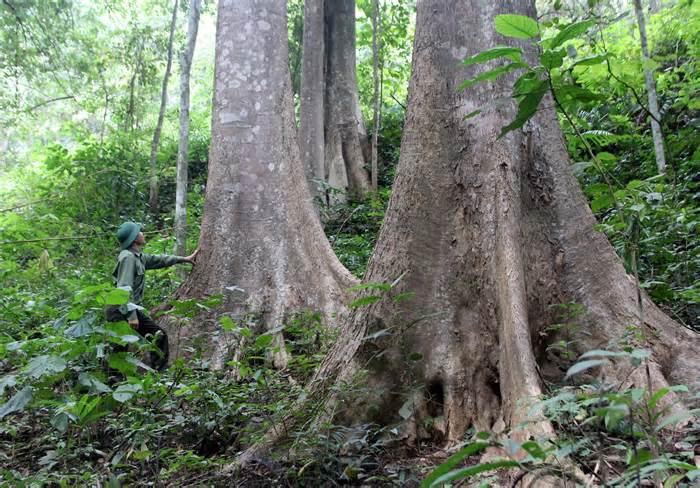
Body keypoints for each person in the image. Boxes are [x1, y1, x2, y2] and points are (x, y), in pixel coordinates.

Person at [106, 221, 198, 371]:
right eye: (139, 232)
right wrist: (132, 315)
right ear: (135, 238)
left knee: (158, 336)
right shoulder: (128, 258)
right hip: (120, 310)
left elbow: (159, 259)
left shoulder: (138, 257)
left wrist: (184, 259)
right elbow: (124, 288)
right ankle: (113, 383)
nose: (142, 233)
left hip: (127, 308)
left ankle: (158, 373)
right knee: (119, 348)